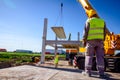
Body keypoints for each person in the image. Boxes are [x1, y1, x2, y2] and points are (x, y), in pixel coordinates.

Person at [82, 10, 110, 79]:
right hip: (100, 41)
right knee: (100, 57)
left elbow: (85, 32)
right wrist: (102, 40)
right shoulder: (102, 21)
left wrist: (84, 41)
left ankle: (88, 72)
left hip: (90, 41)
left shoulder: (88, 21)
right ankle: (101, 73)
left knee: (89, 56)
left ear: (90, 15)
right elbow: (104, 33)